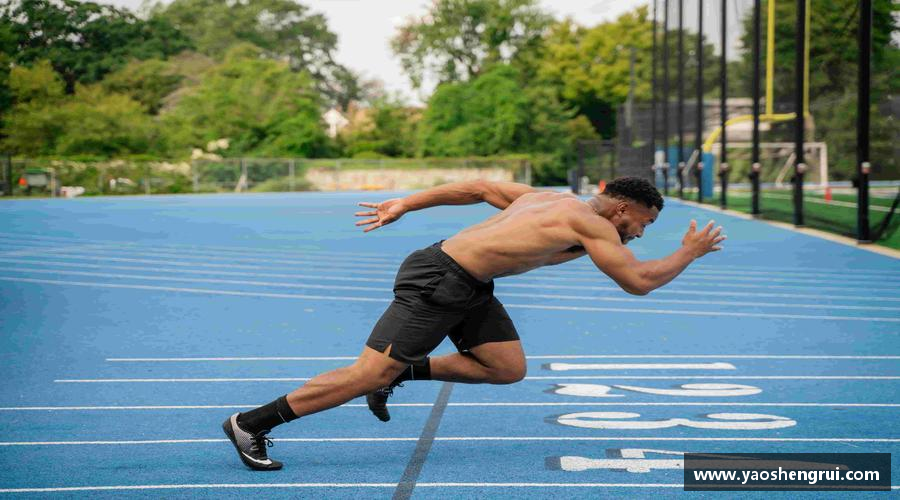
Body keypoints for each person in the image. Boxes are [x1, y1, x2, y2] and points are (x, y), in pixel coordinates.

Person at [222, 176, 725, 470]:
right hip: (440, 279)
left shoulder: (549, 198)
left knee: (505, 367)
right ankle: (251, 424)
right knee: (366, 374)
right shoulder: (590, 224)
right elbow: (637, 283)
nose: (640, 231)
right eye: (644, 222)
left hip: (466, 283)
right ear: (621, 207)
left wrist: (406, 202)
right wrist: (689, 252)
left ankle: (402, 372)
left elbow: (481, 187)